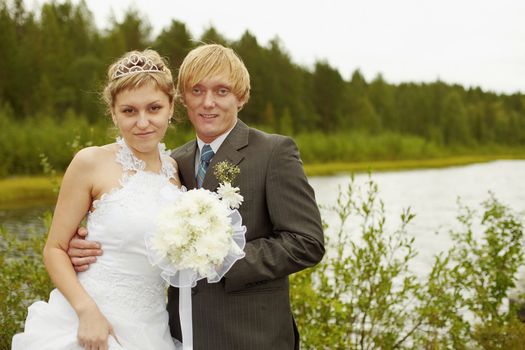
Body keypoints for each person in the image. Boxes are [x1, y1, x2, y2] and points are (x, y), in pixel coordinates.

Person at [69, 44, 325, 350]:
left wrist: (225, 259)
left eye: (222, 91)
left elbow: (307, 242)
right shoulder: (173, 164)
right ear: (182, 99)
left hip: (253, 337)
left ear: (241, 97)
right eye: (197, 90)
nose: (208, 103)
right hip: (179, 335)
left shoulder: (273, 153)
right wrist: (92, 245)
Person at [12, 49, 182, 350]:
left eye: (153, 108)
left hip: (151, 329)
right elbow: (54, 249)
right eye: (129, 111)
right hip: (92, 322)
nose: (142, 122)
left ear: (171, 107)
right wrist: (86, 311)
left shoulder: (176, 171)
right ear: (113, 113)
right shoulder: (90, 162)